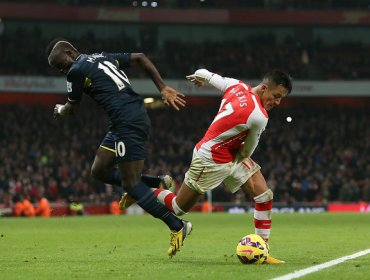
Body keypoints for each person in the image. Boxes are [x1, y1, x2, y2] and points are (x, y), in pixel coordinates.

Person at [121, 68, 292, 263]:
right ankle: (143, 192)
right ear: (264, 88)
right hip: (210, 159)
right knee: (178, 208)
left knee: (264, 195)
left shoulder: (237, 85)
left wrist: (199, 77)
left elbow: (207, 74)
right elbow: (247, 152)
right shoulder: (259, 116)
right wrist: (236, 155)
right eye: (276, 96)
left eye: (281, 99)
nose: (277, 102)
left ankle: (262, 250)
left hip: (230, 153)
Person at [46, 38, 191, 257]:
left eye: (60, 64)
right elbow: (141, 57)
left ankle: (177, 225)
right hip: (124, 121)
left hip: (127, 123)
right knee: (99, 170)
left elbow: (72, 109)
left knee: (131, 184)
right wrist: (162, 87)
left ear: (69, 52)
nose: (61, 70)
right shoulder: (102, 56)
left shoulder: (75, 71)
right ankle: (157, 182)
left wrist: (59, 110)